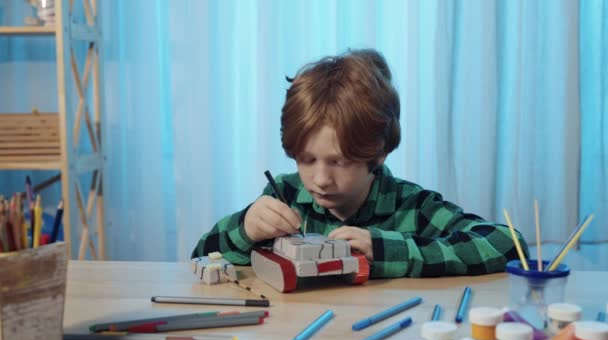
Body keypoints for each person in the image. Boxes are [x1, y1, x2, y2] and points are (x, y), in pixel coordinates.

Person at [192, 48, 528, 278]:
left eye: (339, 162)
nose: (320, 179)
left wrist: (386, 250)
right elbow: (200, 257)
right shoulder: (285, 195)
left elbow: (509, 244)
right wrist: (245, 228)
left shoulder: (410, 206)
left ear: (378, 152)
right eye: (307, 160)